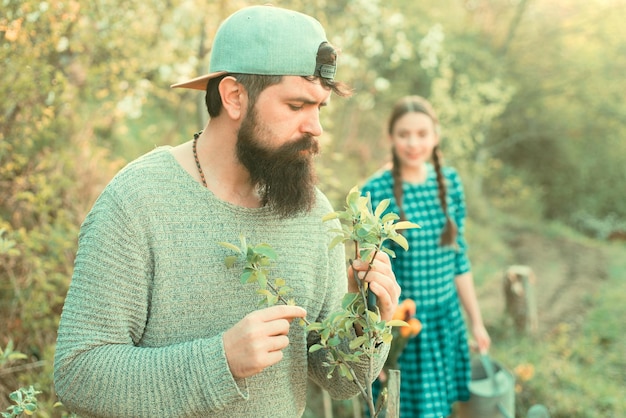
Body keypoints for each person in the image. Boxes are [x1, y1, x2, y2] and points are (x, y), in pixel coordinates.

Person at [53, 6, 400, 418]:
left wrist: (368, 322)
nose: (315, 126)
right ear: (234, 96)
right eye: (296, 106)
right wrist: (220, 362)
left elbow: (341, 380)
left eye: (319, 108)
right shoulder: (137, 201)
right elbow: (78, 374)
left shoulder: (311, 213)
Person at [361, 95, 491, 418]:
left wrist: (476, 322)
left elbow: (459, 261)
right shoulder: (376, 190)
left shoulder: (450, 183)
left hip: (445, 321)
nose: (413, 143)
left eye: (422, 134)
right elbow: (368, 278)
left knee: (440, 409)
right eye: (404, 134)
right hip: (404, 327)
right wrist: (374, 345)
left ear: (436, 135)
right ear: (391, 137)